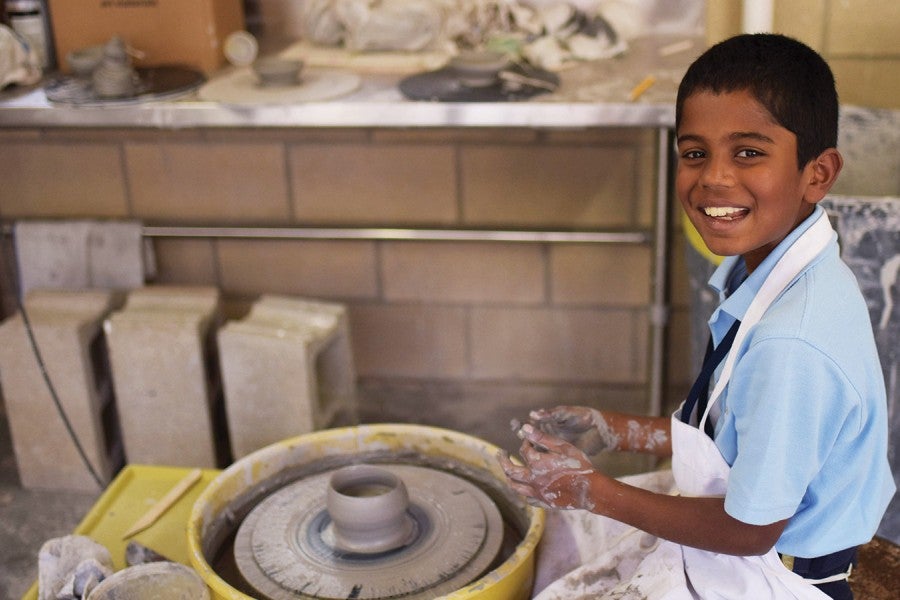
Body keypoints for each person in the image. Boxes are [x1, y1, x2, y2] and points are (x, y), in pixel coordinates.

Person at [499, 33, 895, 600]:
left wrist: (593, 491)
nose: (713, 177)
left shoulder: (791, 343)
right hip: (753, 545)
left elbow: (750, 530)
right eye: (694, 153)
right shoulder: (778, 269)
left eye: (749, 152)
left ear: (818, 173)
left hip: (778, 577)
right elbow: (735, 434)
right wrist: (616, 428)